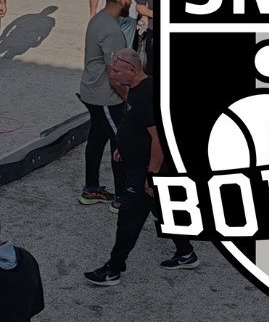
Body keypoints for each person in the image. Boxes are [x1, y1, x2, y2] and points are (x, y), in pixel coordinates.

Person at [84, 49, 198, 286]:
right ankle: (186, 253)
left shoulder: (146, 96)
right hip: (141, 164)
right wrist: (122, 146)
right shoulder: (137, 90)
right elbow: (133, 123)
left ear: (132, 70)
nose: (113, 74)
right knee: (162, 210)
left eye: (117, 71)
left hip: (146, 170)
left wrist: (151, 176)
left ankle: (113, 269)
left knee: (128, 220)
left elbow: (159, 139)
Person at [79, 0, 133, 206]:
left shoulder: (98, 19)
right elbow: (114, 74)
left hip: (90, 91)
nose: (131, 1)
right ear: (121, 0)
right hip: (106, 97)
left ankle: (91, 189)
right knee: (121, 143)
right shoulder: (113, 31)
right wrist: (128, 98)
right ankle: (121, 199)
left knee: (97, 138)